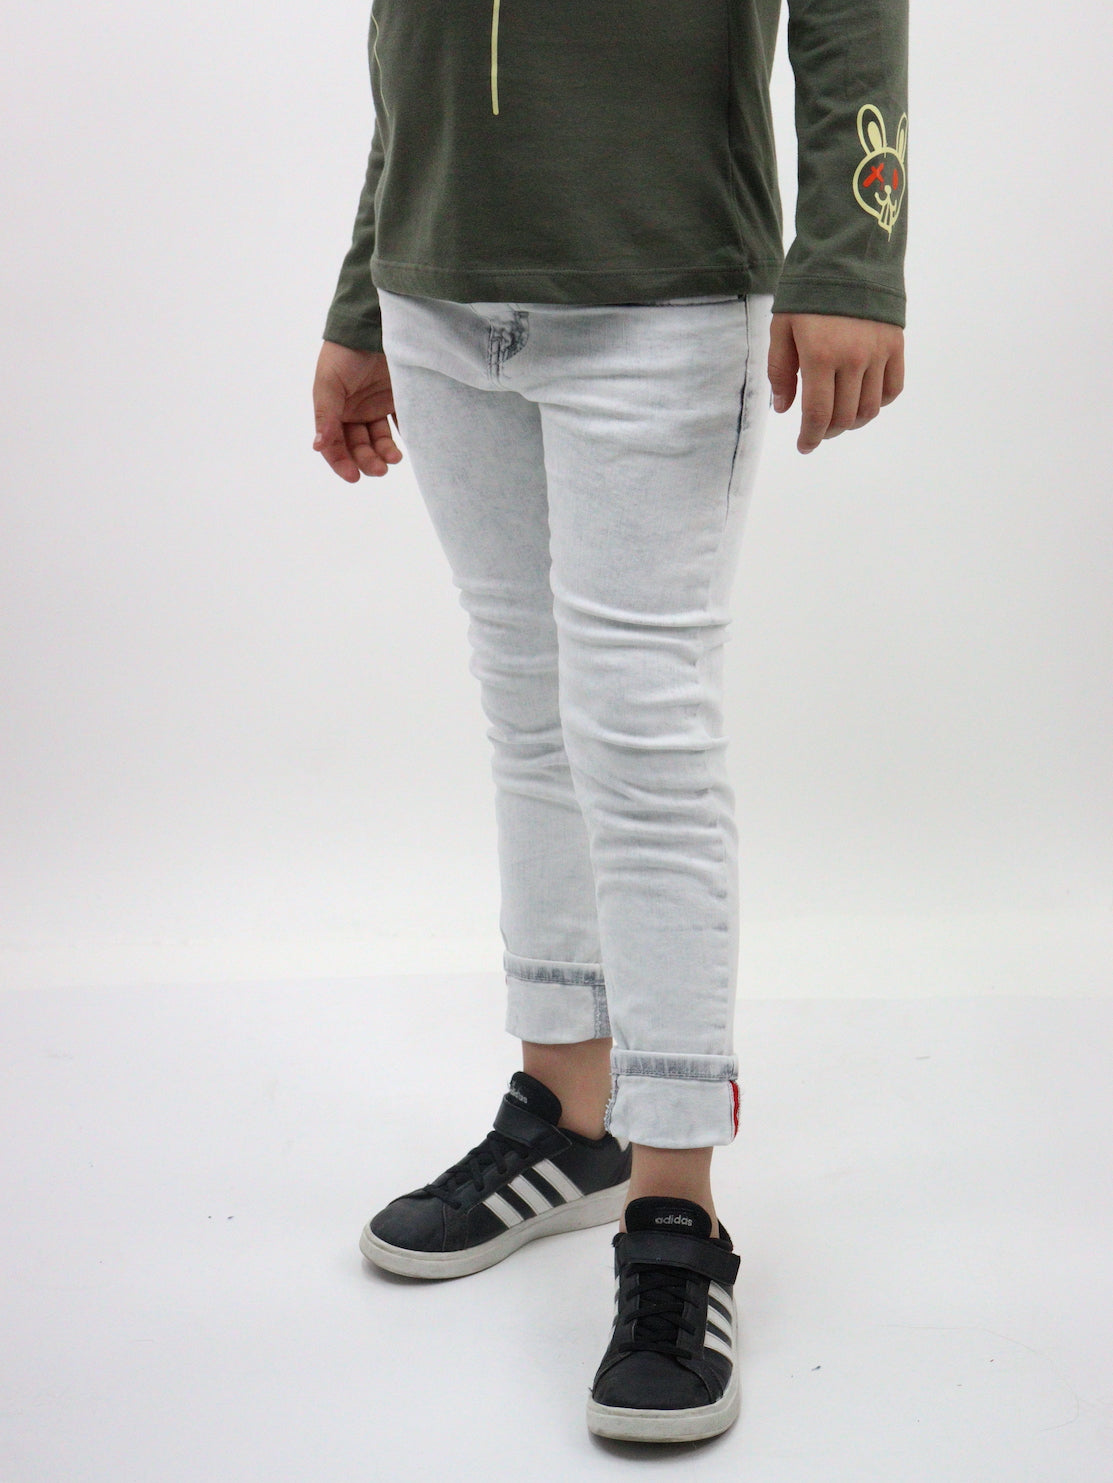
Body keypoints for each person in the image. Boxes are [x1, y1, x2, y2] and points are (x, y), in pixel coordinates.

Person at [312, 0, 907, 1445]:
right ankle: (569, 1119)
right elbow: (410, 44)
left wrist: (855, 250)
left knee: (644, 747)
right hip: (436, 293)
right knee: (528, 715)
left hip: (660, 288)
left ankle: (674, 1205)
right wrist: (361, 296)